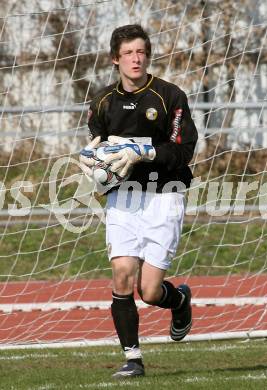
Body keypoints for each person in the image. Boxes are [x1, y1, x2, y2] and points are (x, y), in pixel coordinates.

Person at [79, 24, 198, 379]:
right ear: (115, 59)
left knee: (148, 291)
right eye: (128, 52)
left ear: (148, 55)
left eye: (141, 51)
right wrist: (91, 160)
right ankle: (133, 359)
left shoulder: (169, 97)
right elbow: (97, 146)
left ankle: (178, 301)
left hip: (165, 195)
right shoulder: (102, 101)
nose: (136, 58)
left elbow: (184, 152)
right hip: (123, 199)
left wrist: (143, 151)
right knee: (121, 275)